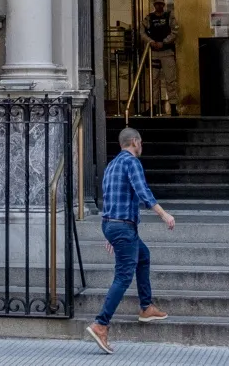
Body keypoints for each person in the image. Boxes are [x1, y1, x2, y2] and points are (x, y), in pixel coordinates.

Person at [85, 126, 174, 354]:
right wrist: (163, 214)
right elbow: (142, 191)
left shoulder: (112, 165)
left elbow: (109, 197)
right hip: (122, 227)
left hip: (113, 224)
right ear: (134, 142)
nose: (141, 146)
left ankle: (146, 307)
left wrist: (111, 231)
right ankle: (101, 323)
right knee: (123, 276)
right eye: (140, 142)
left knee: (143, 256)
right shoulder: (131, 162)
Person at [141, 0, 178, 115]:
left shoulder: (169, 16)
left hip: (167, 52)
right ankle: (153, 106)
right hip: (154, 53)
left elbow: (175, 31)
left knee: (171, 80)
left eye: (161, 4)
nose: (159, 6)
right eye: (157, 4)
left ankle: (173, 107)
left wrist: (164, 42)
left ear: (164, 5)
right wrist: (151, 42)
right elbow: (141, 32)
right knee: (153, 81)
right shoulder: (149, 18)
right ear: (154, 4)